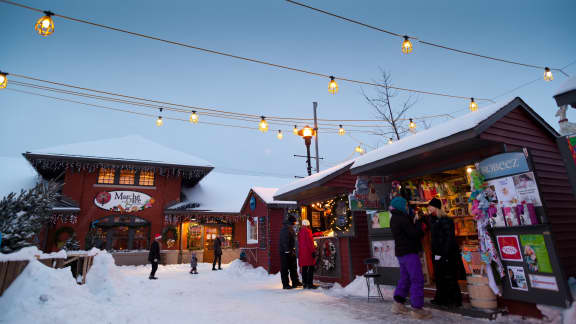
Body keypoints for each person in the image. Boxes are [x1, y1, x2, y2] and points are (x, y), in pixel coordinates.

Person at [389, 196, 432, 320]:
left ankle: (398, 304)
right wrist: (421, 223)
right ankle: (417, 309)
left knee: (405, 278)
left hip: (401, 253)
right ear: (401, 206)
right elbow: (414, 233)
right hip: (409, 252)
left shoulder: (395, 218)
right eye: (406, 206)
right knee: (417, 279)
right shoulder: (402, 219)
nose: (407, 207)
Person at [428, 198, 463, 308]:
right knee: (439, 276)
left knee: (450, 276)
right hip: (437, 253)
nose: (428, 208)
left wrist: (445, 253)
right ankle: (441, 298)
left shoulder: (446, 220)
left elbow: (449, 238)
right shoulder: (432, 219)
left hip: (447, 253)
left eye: (430, 206)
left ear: (436, 207)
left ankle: (454, 300)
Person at [279, 215, 302, 289]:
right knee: (285, 268)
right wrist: (287, 250)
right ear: (292, 222)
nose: (295, 223)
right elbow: (284, 240)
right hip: (285, 252)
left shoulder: (290, 227)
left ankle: (295, 282)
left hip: (291, 250)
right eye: (295, 222)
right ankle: (285, 284)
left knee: (293, 267)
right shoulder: (285, 228)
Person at [298, 219, 317, 289]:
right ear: (308, 225)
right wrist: (313, 251)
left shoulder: (300, 232)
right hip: (308, 252)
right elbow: (310, 243)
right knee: (311, 268)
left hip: (302, 253)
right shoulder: (308, 231)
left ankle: (304, 283)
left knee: (304, 268)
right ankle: (310, 284)